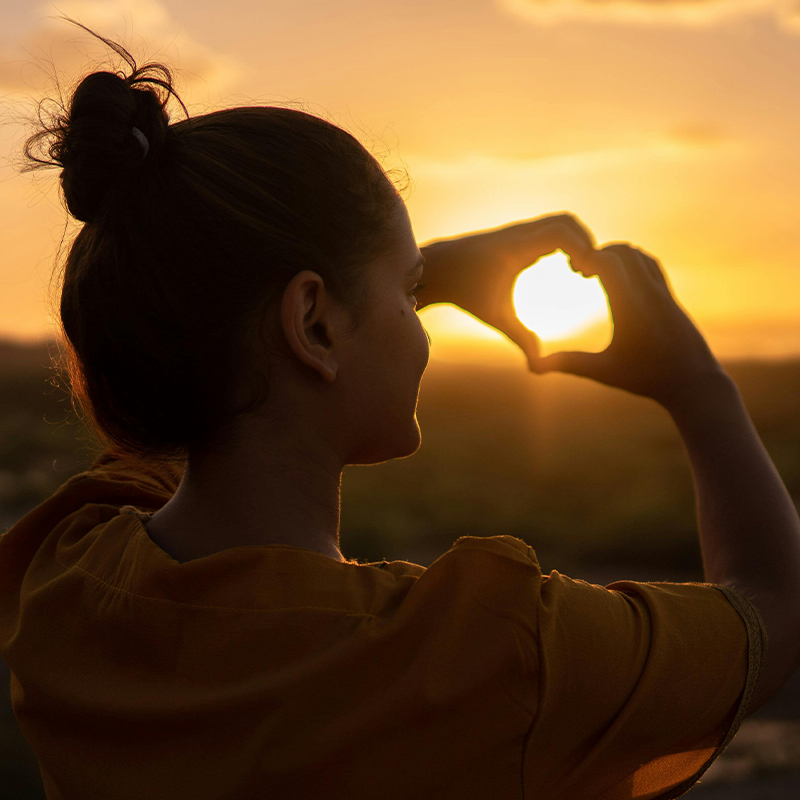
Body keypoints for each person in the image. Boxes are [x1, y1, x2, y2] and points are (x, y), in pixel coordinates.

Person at [1, 19, 799, 800]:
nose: (421, 328)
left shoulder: (67, 574)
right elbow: (775, 606)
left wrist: (383, 284)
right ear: (311, 322)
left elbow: (191, 368)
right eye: (411, 293)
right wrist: (698, 386)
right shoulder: (485, 654)